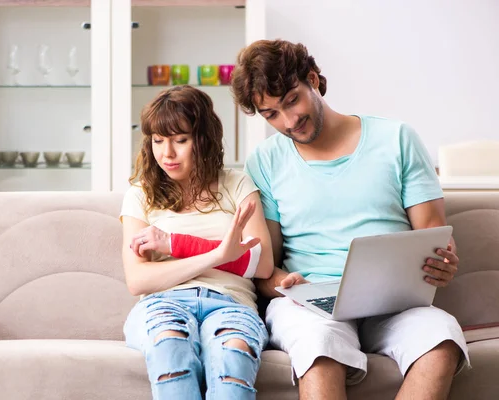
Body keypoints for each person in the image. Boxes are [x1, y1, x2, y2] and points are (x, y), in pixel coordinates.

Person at [230, 39, 470, 399]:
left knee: (443, 340)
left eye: (293, 99)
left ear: (312, 79)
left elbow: (434, 234)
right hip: (312, 305)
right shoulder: (264, 161)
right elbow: (265, 267)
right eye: (271, 114)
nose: (289, 120)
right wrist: (285, 283)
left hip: (396, 301)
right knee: (319, 347)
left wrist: (443, 261)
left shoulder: (396, 139)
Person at [120, 85, 274, 400]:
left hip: (230, 303)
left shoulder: (237, 184)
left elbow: (263, 263)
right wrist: (219, 254)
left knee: (233, 357)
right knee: (169, 348)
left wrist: (174, 244)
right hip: (162, 303)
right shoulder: (140, 195)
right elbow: (138, 280)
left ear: (203, 139)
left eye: (180, 140)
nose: (167, 154)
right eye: (158, 141)